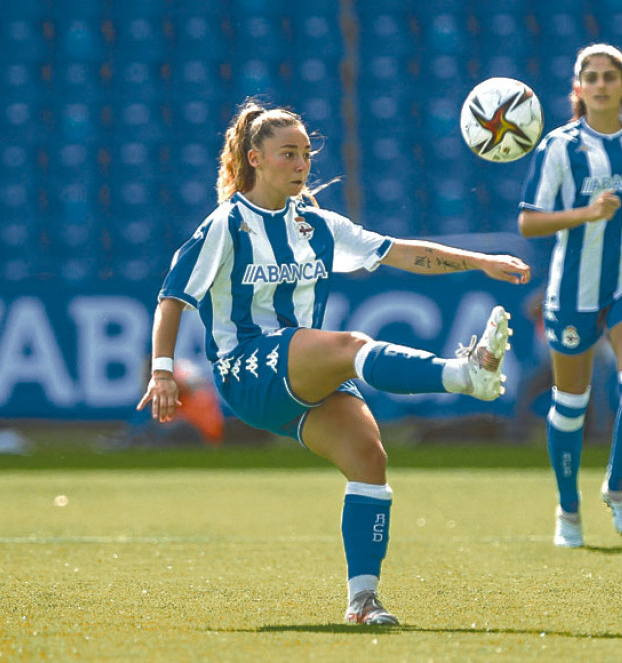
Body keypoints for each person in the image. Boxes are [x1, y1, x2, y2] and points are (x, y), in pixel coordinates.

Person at [138, 98, 531, 625]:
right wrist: (162, 370)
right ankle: (465, 374)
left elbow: (401, 251)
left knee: (369, 459)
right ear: (254, 158)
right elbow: (172, 298)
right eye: (287, 154)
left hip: (297, 379)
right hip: (246, 369)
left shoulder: (317, 225)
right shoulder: (227, 225)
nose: (301, 165)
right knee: (347, 348)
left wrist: (480, 261)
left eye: (305, 154)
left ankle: (363, 602)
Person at [518, 44, 622, 548]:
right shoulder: (559, 147)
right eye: (592, 77)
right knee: (571, 402)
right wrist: (585, 213)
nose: (601, 84)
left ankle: (617, 486)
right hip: (573, 288)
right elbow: (529, 221)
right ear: (578, 88)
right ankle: (568, 509)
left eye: (610, 76)